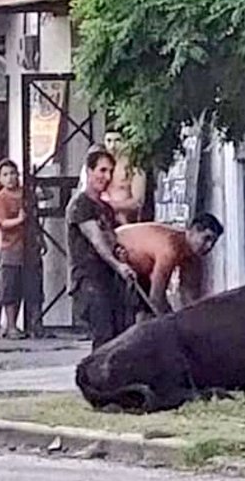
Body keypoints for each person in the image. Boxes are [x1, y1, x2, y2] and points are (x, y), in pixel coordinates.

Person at [66, 147, 135, 349]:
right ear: (89, 171)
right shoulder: (80, 204)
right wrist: (118, 265)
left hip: (108, 278)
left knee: (119, 334)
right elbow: (97, 240)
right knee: (103, 335)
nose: (106, 177)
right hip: (88, 279)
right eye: (102, 170)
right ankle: (95, 379)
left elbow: (111, 238)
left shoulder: (105, 208)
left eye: (110, 172)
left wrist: (120, 253)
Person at [116, 213, 224, 316]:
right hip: (117, 253)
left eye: (213, 242)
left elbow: (190, 298)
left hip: (140, 272)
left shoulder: (193, 256)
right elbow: (156, 298)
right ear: (193, 231)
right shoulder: (170, 248)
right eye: (206, 239)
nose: (209, 246)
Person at [0, 158, 25, 339]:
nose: (10, 178)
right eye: (6, 175)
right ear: (0, 179)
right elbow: (1, 223)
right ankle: (6, 326)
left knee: (17, 287)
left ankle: (4, 325)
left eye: (13, 173)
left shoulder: (24, 193)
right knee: (6, 287)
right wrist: (19, 220)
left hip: (24, 246)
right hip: (8, 247)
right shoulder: (0, 198)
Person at [78, 131, 147, 224]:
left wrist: (111, 206)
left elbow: (138, 203)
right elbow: (84, 191)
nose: (113, 145)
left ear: (126, 143)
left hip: (125, 223)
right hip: (99, 221)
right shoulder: (96, 167)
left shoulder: (134, 170)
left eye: (117, 140)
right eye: (109, 141)